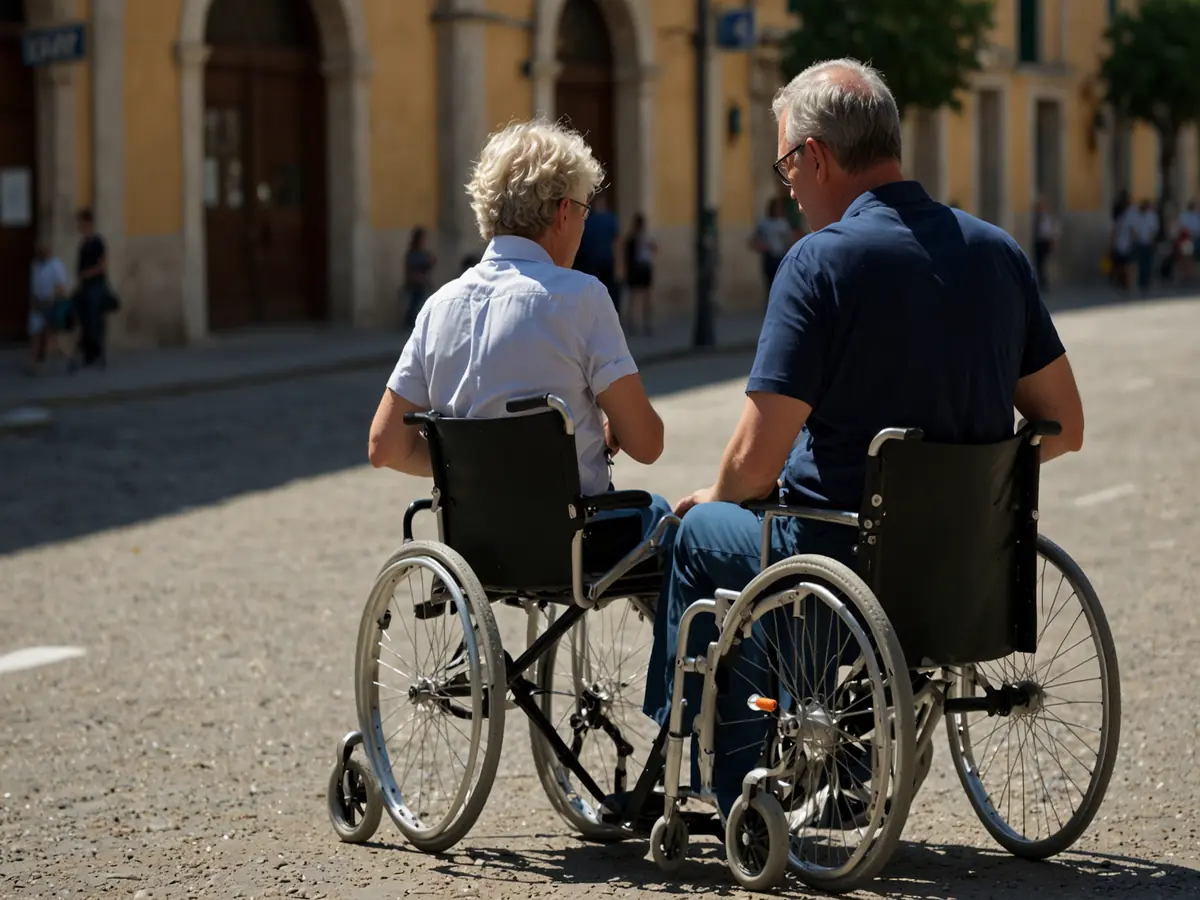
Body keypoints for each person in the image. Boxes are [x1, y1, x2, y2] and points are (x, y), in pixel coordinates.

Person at [643, 58, 1085, 817]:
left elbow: (754, 464)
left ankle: (715, 777)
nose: (788, 187)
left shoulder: (820, 264)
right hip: (966, 570)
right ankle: (822, 767)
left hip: (842, 561)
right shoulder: (996, 253)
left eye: (787, 165)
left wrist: (711, 497)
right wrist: (965, 476)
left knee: (696, 533)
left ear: (814, 156)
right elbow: (1065, 426)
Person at [368, 117, 673, 551]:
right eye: (584, 211)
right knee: (667, 522)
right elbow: (647, 445)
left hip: (476, 540)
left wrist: (471, 470)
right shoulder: (581, 298)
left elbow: (385, 447)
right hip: (574, 540)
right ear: (564, 212)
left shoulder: (439, 305)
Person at [70, 208, 112, 370]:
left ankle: (98, 354)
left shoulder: (97, 242)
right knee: (83, 320)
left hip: (96, 286)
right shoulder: (83, 244)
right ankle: (88, 355)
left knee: (95, 321)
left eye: (81, 223)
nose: (79, 226)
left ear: (88, 224)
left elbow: (102, 266)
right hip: (84, 287)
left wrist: (88, 273)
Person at [26, 243, 70, 374]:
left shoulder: (55, 265)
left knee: (52, 338)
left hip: (50, 304)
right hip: (37, 305)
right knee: (36, 334)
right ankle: (34, 362)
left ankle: (67, 360)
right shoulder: (35, 266)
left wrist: (62, 302)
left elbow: (61, 287)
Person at [750, 196, 794, 303]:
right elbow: (755, 240)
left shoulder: (783, 224)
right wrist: (760, 246)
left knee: (780, 283)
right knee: (769, 284)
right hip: (769, 256)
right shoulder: (763, 224)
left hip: (781, 256)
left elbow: (788, 240)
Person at [622, 213, 657, 335]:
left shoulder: (634, 237)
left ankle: (638, 324)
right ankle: (640, 324)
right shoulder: (637, 238)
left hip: (639, 269)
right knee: (640, 298)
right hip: (641, 268)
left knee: (638, 298)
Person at [402, 227, 437, 327]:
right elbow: (408, 268)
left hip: (423, 283)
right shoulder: (412, 253)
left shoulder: (424, 253)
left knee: (421, 305)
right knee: (414, 305)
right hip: (414, 283)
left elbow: (431, 263)